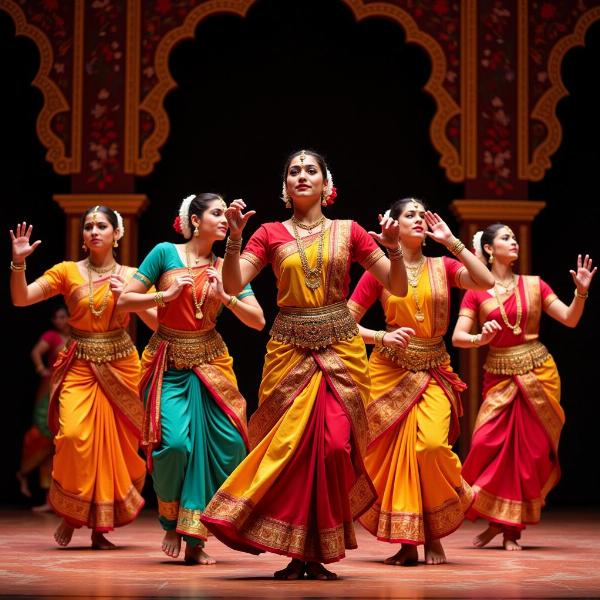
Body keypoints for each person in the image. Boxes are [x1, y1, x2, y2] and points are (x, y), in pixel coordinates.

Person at [200, 149, 408, 581]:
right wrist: (235, 238)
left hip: (341, 349)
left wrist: (394, 249)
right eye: (293, 171)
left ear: (326, 185)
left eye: (310, 170)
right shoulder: (269, 233)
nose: (301, 176)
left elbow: (398, 286)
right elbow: (236, 284)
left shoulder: (350, 232)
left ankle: (320, 546)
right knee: (290, 450)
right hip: (289, 349)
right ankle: (299, 553)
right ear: (285, 186)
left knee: (333, 447)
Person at [118, 193, 265, 564]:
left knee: (229, 444)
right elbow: (124, 302)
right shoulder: (164, 253)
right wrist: (163, 295)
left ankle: (196, 541)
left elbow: (258, 320)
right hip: (168, 361)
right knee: (176, 446)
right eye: (216, 213)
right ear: (195, 220)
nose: (223, 219)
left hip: (211, 362)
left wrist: (226, 297)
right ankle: (171, 520)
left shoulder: (224, 266)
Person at [348, 197, 494, 566]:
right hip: (387, 369)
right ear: (393, 225)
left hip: (432, 369)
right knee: (387, 455)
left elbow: (486, 280)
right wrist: (381, 337)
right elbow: (346, 321)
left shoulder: (442, 266)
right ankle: (409, 541)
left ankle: (432, 531)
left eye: (420, 214)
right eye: (407, 214)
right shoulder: (378, 271)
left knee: (429, 448)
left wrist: (452, 242)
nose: (416, 219)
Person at [9, 207, 156, 549]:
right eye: (88, 226)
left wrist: (129, 297)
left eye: (102, 225)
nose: (94, 231)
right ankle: (72, 514)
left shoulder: (134, 275)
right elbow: (21, 298)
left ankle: (99, 529)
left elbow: (157, 323)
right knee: (75, 437)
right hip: (79, 363)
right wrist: (19, 264)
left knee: (114, 449)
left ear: (116, 234)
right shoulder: (67, 272)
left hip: (121, 366)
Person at [452, 223, 596, 550]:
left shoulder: (534, 285)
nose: (513, 242)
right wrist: (481, 338)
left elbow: (570, 319)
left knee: (528, 454)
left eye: (514, 238)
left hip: (538, 372)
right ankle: (497, 520)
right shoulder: (476, 291)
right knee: (489, 445)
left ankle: (509, 529)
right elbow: (459, 338)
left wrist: (581, 292)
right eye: (505, 238)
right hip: (499, 375)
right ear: (488, 249)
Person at [16, 304, 70, 510]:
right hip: (50, 392)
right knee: (44, 438)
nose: (60, 321)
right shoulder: (51, 337)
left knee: (62, 445)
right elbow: (35, 352)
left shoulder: (78, 335)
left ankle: (59, 499)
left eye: (63, 316)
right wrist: (42, 370)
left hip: (72, 390)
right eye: (56, 317)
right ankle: (24, 474)